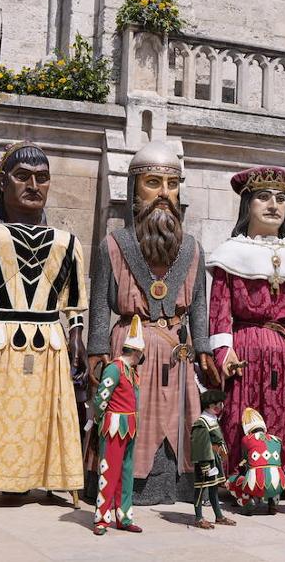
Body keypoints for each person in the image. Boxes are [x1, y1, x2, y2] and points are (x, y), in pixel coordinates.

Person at [0, 143, 86, 511]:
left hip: (50, 342)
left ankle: (45, 480)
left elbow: (73, 300)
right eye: (22, 176)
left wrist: (77, 337)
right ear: (3, 182)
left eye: (42, 178)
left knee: (46, 414)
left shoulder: (68, 242)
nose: (33, 186)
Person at [86, 142, 216, 503]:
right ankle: (128, 488)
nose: (163, 194)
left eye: (171, 185)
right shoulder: (113, 246)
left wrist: (203, 347)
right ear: (133, 189)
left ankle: (176, 487)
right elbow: (99, 304)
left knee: (179, 419)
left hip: (177, 351)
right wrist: (96, 349)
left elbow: (200, 305)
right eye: (153, 183)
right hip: (131, 349)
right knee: (132, 418)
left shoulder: (191, 249)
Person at [208, 166, 285, 486]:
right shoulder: (231, 253)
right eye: (264, 198)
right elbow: (219, 308)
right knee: (242, 416)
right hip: (246, 350)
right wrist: (223, 351)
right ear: (248, 205)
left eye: (280, 199)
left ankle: (281, 480)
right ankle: (241, 480)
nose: (274, 205)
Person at [92, 315, 145, 535]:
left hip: (130, 427)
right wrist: (99, 420)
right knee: (109, 472)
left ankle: (123, 517)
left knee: (126, 474)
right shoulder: (114, 368)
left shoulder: (131, 372)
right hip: (114, 426)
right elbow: (100, 398)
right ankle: (101, 519)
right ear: (136, 352)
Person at [228, 408, 285, 515]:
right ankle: (273, 502)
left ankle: (248, 501)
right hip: (279, 482)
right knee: (275, 475)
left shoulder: (246, 439)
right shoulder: (276, 440)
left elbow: (246, 459)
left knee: (232, 481)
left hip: (256, 483)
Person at [190, 389, 235, 529]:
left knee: (213, 489)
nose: (220, 406)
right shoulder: (202, 422)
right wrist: (205, 465)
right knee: (200, 489)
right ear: (209, 405)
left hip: (214, 459)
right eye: (217, 403)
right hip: (206, 461)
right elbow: (200, 446)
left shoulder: (213, 419)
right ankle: (198, 518)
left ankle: (219, 516)